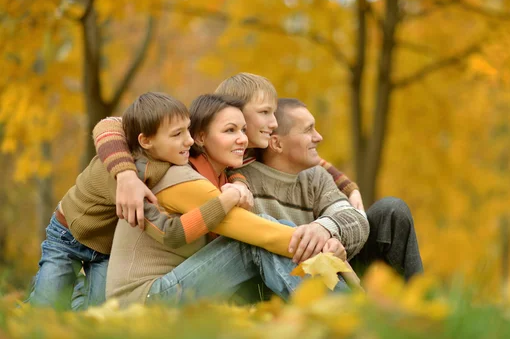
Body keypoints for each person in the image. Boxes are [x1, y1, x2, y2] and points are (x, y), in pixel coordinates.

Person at [106, 94, 347, 307]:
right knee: (248, 242)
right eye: (230, 130)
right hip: (145, 301)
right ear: (202, 137)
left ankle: (335, 309)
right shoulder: (178, 176)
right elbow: (259, 232)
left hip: (167, 288)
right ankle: (339, 313)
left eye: (243, 130)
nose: (242, 139)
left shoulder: (223, 177)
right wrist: (323, 247)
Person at [93, 73, 360, 262]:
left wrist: (348, 186)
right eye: (265, 112)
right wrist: (126, 175)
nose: (274, 122)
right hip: (98, 234)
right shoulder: (185, 143)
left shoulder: (255, 147)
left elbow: (311, 156)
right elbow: (112, 125)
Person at [27, 93, 193, 310]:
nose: (189, 140)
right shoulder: (127, 167)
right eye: (178, 134)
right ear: (145, 140)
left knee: (99, 312)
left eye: (188, 129)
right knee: (44, 308)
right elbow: (108, 124)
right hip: (68, 237)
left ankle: (76, 289)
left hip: (107, 249)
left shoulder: (171, 151)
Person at [244, 98, 424, 279]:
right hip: (278, 280)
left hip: (332, 271)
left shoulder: (316, 176)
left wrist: (325, 229)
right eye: (308, 130)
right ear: (277, 144)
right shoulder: (242, 181)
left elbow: (354, 218)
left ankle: (415, 302)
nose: (319, 137)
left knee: (392, 210)